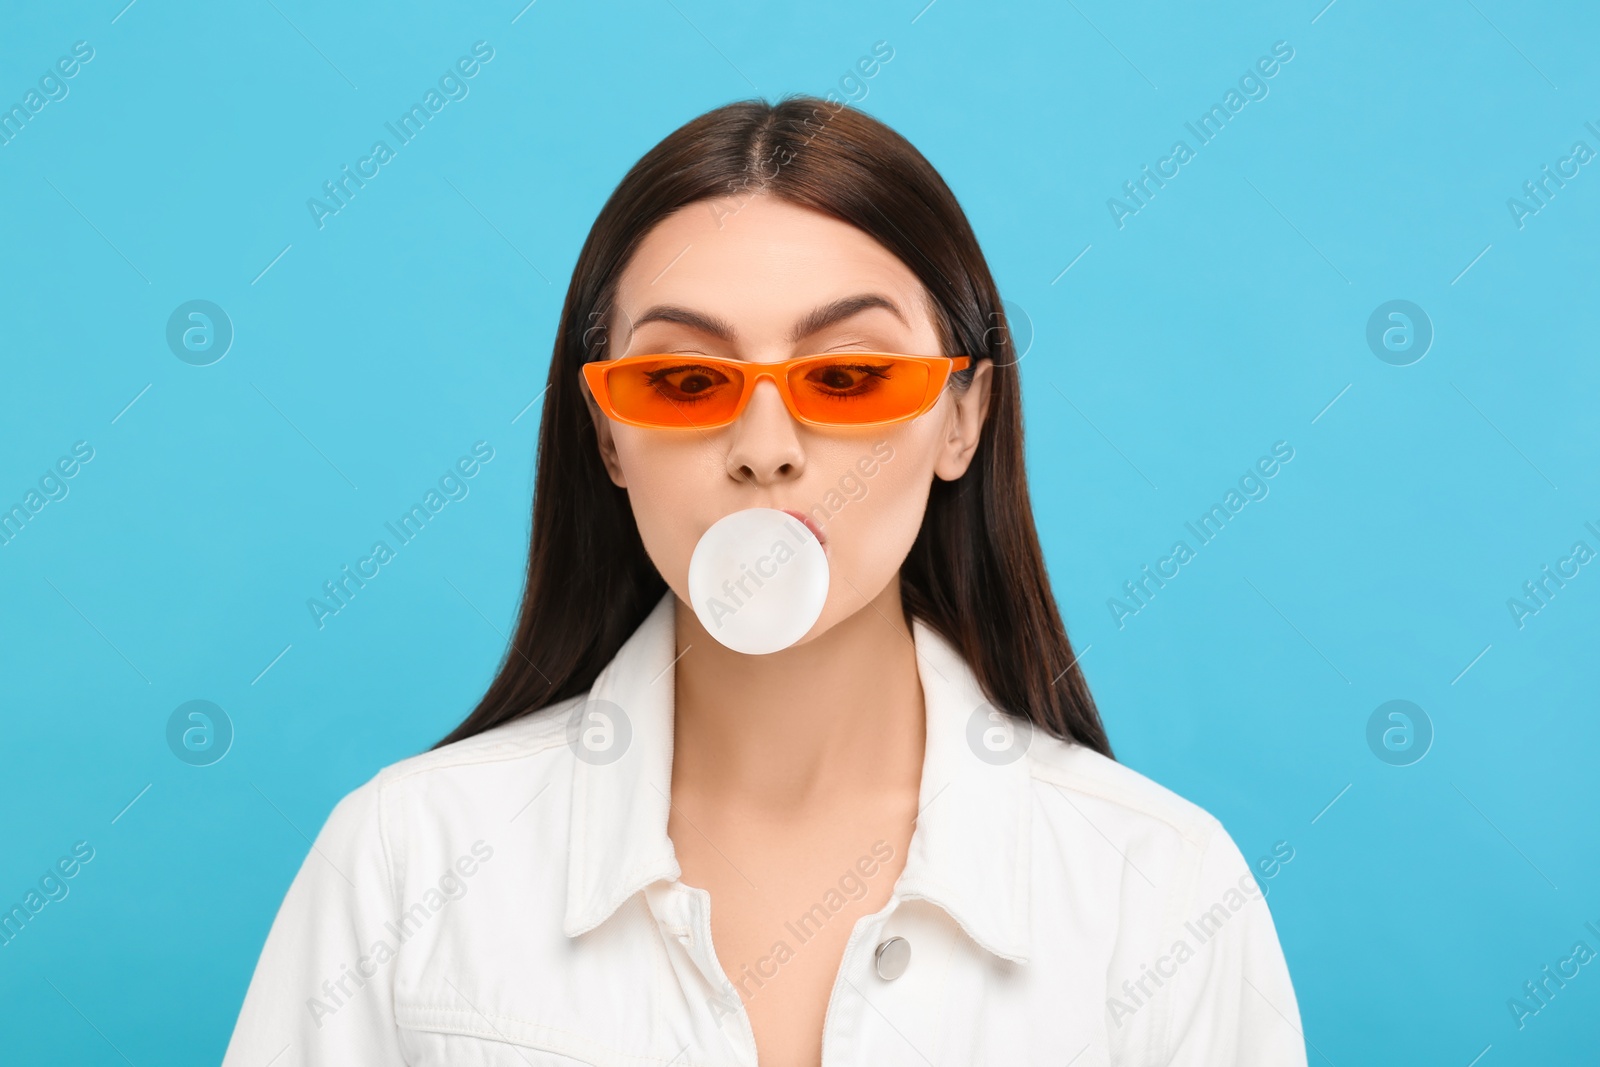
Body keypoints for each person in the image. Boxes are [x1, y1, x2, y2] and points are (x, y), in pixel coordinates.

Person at [222, 95, 1306, 1067]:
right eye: (687, 379)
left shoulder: (1161, 888)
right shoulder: (407, 861)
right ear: (606, 434)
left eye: (845, 375)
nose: (765, 445)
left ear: (961, 418)